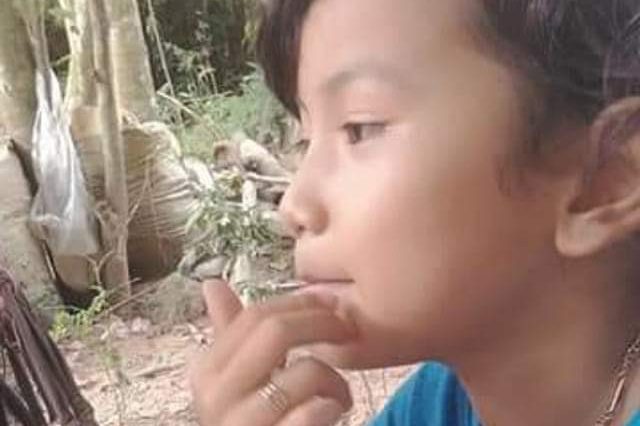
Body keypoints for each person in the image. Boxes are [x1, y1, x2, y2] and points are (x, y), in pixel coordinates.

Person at [189, 0, 640, 424]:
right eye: (305, 141)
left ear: (602, 186)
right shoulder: (433, 407)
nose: (294, 206)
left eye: (360, 128)